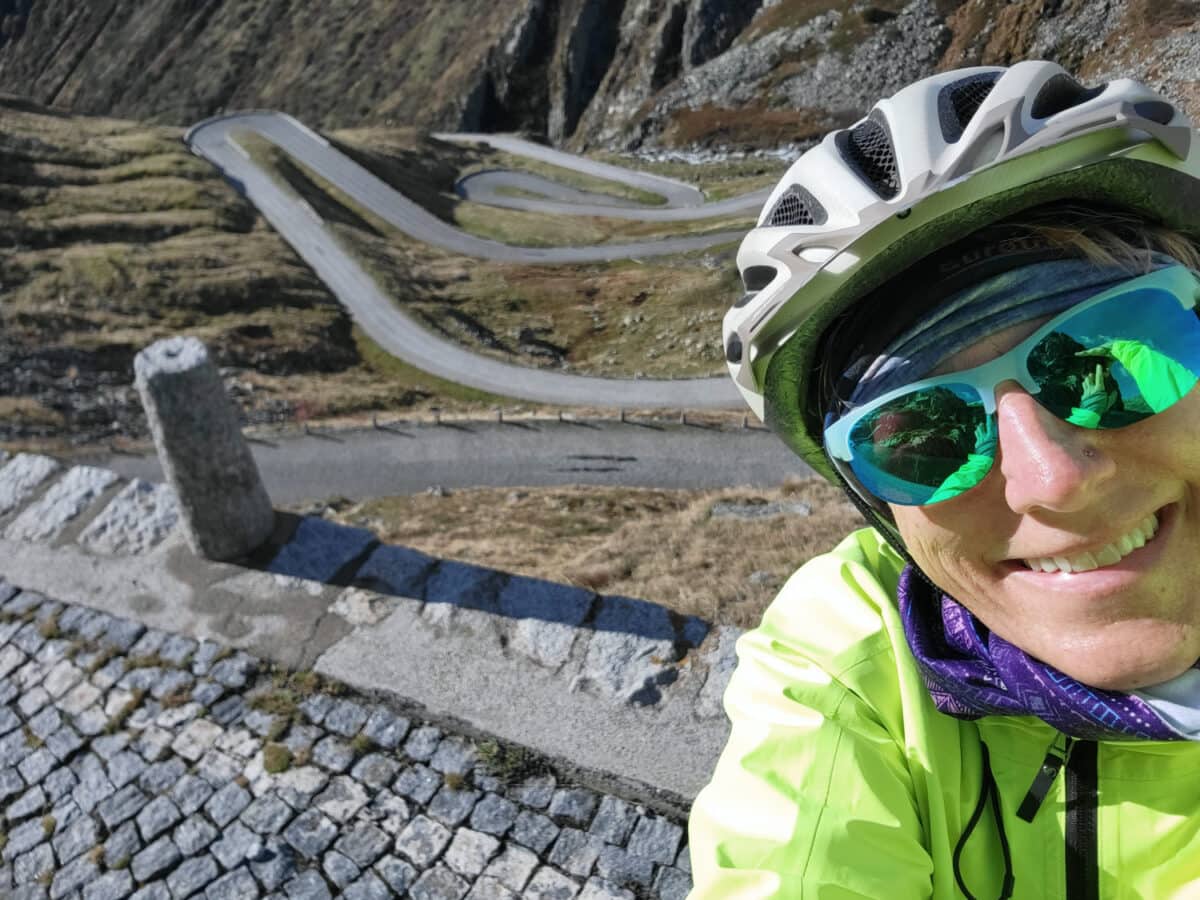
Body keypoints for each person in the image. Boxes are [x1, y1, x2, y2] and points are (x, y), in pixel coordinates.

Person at [688, 61, 1200, 898]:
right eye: (924, 437)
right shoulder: (853, 658)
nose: (1051, 480)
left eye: (1114, 354)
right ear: (883, 516)